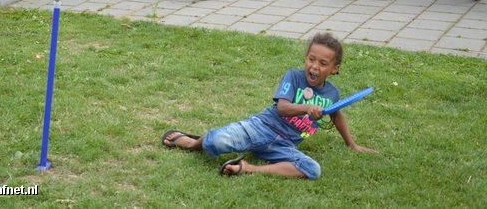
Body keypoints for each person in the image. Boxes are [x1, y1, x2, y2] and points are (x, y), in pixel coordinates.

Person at [161, 32, 377, 179]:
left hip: (284, 145)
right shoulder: (293, 76)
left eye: (323, 63)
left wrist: (352, 144)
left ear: (335, 69)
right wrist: (306, 108)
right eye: (311, 59)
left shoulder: (332, 93)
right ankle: (192, 143)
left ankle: (248, 168)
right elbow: (283, 108)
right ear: (305, 58)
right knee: (218, 141)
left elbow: (336, 115)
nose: (314, 66)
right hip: (262, 127)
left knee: (313, 169)